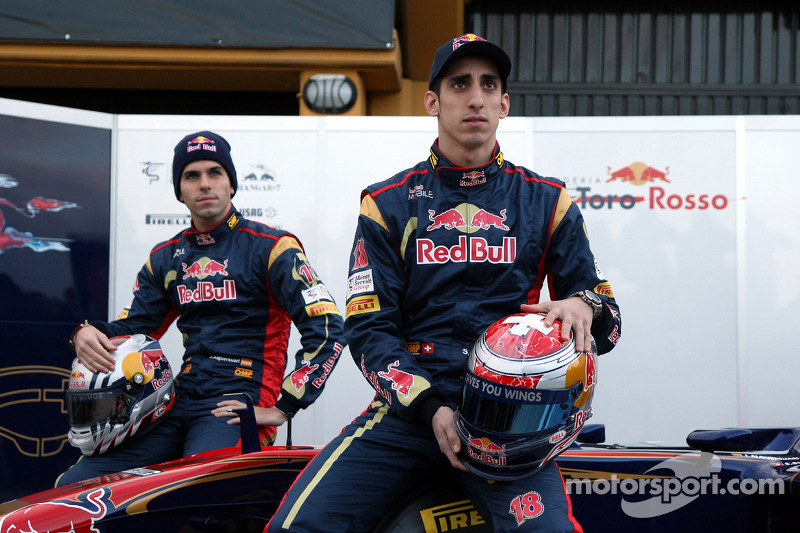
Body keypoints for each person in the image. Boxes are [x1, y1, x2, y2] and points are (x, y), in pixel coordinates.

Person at [266, 34, 621, 532]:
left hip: (511, 424)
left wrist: (586, 305)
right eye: (459, 84)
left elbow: (607, 319)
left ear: (504, 104)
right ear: (432, 102)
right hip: (408, 413)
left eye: (488, 84)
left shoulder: (548, 200)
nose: (475, 97)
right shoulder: (386, 203)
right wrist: (431, 408)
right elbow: (368, 329)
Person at [57, 131, 345, 486]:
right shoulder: (165, 258)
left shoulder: (273, 248)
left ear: (231, 185)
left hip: (240, 402)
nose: (205, 184)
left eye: (215, 173)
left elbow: (328, 326)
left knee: (196, 492)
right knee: (76, 487)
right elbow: (137, 326)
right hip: (179, 400)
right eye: (192, 176)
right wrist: (85, 331)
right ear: (180, 191)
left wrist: (284, 406)